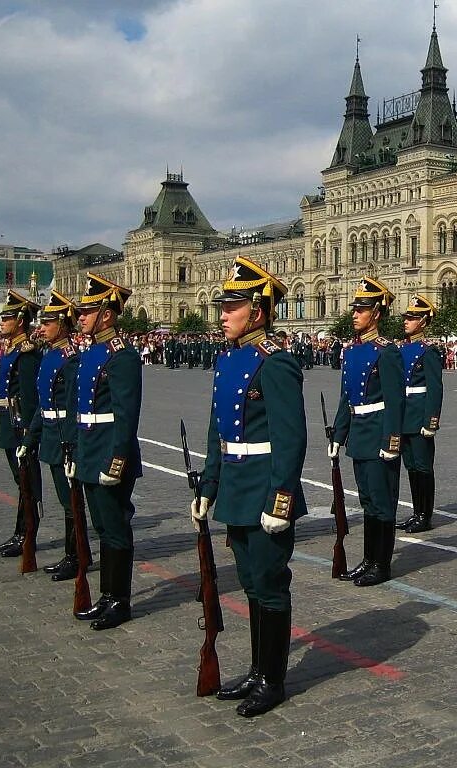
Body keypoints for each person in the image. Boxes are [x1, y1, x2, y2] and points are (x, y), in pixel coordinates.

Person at [190, 256, 306, 718]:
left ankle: (273, 679)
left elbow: (290, 439)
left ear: (257, 311)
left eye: (231, 306)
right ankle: (259, 669)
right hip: (236, 488)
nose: (222, 314)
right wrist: (209, 485)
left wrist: (282, 499)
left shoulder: (275, 365)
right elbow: (218, 431)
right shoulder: (228, 362)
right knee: (251, 585)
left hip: (263, 490)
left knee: (271, 585)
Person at [70, 273, 143, 631]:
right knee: (101, 526)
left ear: (107, 314)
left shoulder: (122, 356)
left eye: (87, 311)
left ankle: (120, 600)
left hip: (110, 454)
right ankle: (106, 594)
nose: (80, 317)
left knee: (115, 528)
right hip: (89, 450)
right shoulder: (91, 352)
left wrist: (117, 460)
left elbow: (126, 415)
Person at [329, 276, 405, 587]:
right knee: (367, 501)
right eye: (354, 309)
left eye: (361, 309)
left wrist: (392, 440)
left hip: (378, 435)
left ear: (376, 313)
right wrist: (338, 435)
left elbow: (395, 401)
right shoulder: (352, 351)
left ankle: (381, 564)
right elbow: (346, 396)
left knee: (382, 502)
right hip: (359, 434)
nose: (354, 314)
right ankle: (368, 559)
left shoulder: (386, 352)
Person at [20, 291, 81, 582]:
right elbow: (43, 403)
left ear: (63, 325)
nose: (41, 328)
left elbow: (71, 407)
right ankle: (76, 553)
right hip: (49, 434)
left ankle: (76, 555)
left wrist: (70, 445)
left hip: (61, 438)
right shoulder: (50, 355)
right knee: (64, 499)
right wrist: (30, 438)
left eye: (48, 322)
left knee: (70, 502)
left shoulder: (70, 359)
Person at [0, 289, 44, 558]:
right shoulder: (12, 350)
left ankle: (26, 534)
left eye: (6, 318)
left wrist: (28, 435)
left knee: (26, 482)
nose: (1, 322)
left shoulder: (27, 354)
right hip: (8, 423)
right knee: (19, 481)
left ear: (20, 321)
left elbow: (30, 399)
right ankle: (21, 532)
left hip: (20, 425)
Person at [395, 295, 443, 534]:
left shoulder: (428, 351)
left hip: (419, 415)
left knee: (423, 467)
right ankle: (416, 512)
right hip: (404, 415)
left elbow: (435, 388)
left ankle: (425, 514)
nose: (407, 321)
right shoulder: (401, 348)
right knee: (411, 467)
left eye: (412, 318)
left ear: (423, 322)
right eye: (406, 317)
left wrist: (431, 420)